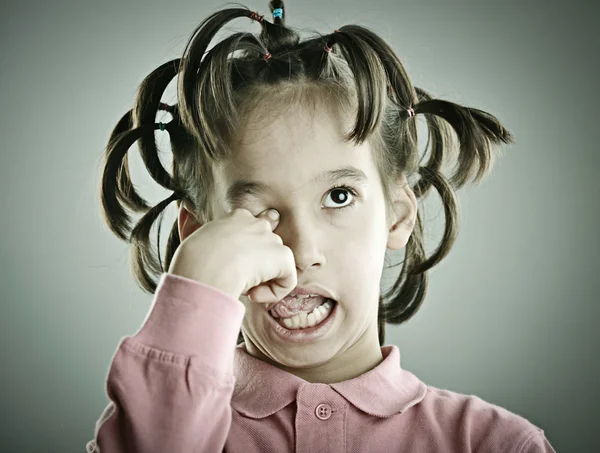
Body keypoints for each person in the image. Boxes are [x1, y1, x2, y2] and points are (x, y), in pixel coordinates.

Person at [87, 1, 556, 451]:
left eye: (338, 197)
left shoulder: (493, 444)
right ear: (199, 235)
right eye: (258, 213)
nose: (300, 251)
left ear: (397, 215)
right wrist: (196, 292)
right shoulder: (159, 437)